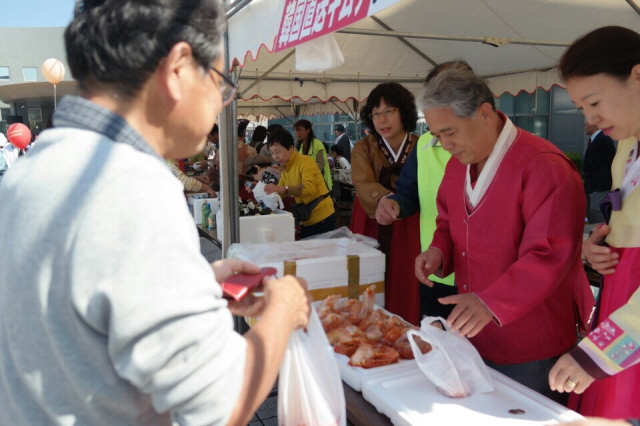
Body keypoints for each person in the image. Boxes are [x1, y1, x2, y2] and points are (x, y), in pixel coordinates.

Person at [0, 1, 312, 425]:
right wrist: (284, 310)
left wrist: (194, 286)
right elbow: (221, 406)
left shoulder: (29, 173)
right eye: (220, 81)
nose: (223, 101)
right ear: (180, 67)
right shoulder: (132, 185)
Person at [415, 67, 594, 402]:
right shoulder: (458, 165)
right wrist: (438, 250)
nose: (444, 144)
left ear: (485, 113)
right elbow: (447, 220)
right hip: (475, 333)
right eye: (437, 136)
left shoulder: (543, 165)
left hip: (531, 341)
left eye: (450, 132)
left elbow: (551, 253)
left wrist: (491, 302)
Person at [547, 26, 640, 420]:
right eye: (582, 108)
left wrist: (603, 351)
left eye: (594, 101)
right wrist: (602, 245)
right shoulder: (626, 148)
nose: (591, 118)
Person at [375, 61, 473, 320]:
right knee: (437, 347)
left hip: (483, 277)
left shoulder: (494, 148)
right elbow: (409, 191)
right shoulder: (425, 145)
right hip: (436, 267)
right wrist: (395, 204)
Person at [350, 82, 422, 324]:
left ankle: (405, 324)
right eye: (376, 113)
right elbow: (362, 182)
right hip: (373, 216)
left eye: (389, 111)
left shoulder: (422, 145)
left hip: (411, 218)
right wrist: (385, 201)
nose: (382, 119)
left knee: (406, 274)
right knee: (372, 274)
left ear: (404, 112)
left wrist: (398, 203)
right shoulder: (363, 147)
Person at [265, 128, 336, 238]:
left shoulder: (305, 161)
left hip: (322, 216)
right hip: (306, 218)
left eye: (277, 151)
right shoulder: (285, 168)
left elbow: (308, 188)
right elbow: (280, 193)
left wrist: (282, 189)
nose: (275, 157)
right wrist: (265, 193)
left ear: (290, 147)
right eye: (272, 153)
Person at [583, 123, 616, 224]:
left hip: (601, 184)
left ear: (593, 126)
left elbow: (611, 161)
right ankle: (596, 234)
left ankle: (602, 234)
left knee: (596, 210)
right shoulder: (595, 140)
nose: (584, 127)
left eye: (586, 125)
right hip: (591, 184)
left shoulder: (604, 139)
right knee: (591, 212)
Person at [294, 119, 332, 191]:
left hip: (319, 182)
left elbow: (320, 164)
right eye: (296, 131)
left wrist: (307, 172)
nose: (297, 133)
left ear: (308, 130)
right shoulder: (300, 145)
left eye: (300, 130)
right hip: (307, 181)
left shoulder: (317, 144)